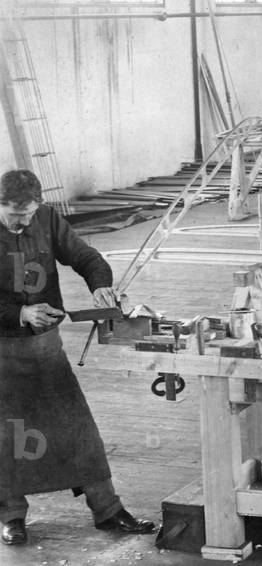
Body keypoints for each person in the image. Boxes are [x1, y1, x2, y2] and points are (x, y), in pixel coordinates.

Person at [0, 169, 155, 547]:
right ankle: (11, 516)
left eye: (27, 215)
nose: (21, 223)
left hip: (45, 347)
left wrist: (100, 284)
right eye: (12, 215)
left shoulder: (49, 218)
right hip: (2, 348)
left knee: (76, 427)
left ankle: (108, 510)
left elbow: (85, 256)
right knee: (9, 433)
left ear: (38, 206)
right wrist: (19, 315)